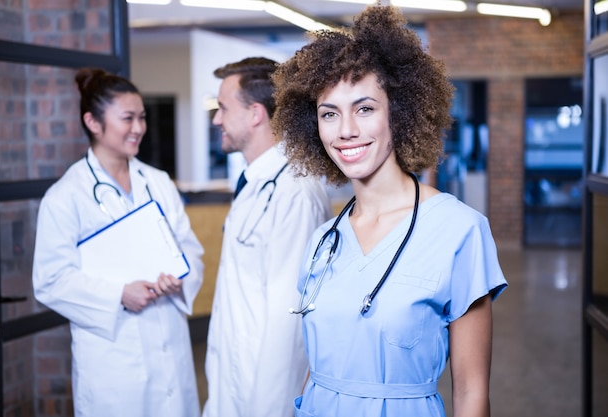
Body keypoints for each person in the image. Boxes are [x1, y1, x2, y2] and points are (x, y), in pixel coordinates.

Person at [271, 5, 508, 417]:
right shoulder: (323, 241)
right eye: (329, 114)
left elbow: (471, 392)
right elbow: (318, 370)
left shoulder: (459, 231)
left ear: (399, 114)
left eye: (365, 108)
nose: (346, 130)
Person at [32, 68, 204, 417]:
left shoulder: (156, 182)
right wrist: (119, 294)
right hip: (112, 356)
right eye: (127, 118)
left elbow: (189, 247)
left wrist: (179, 277)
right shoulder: (66, 195)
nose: (138, 127)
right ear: (93, 122)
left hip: (169, 341)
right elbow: (50, 280)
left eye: (141, 117)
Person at [202, 57, 333, 417]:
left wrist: (272, 409)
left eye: (223, 108)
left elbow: (290, 323)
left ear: (256, 114)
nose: (216, 119)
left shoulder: (295, 192)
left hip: (264, 395)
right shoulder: (255, 183)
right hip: (233, 380)